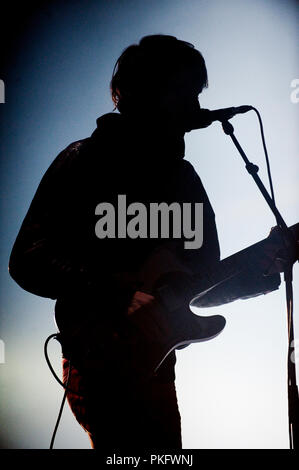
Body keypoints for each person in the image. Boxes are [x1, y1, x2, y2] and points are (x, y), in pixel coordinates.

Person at [10, 34, 280, 450]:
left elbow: (198, 289)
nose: (195, 105)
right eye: (184, 90)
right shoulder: (85, 160)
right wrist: (118, 292)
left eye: (197, 92)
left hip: (158, 366)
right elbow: (27, 258)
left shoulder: (184, 179)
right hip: (101, 358)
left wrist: (257, 272)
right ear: (144, 92)